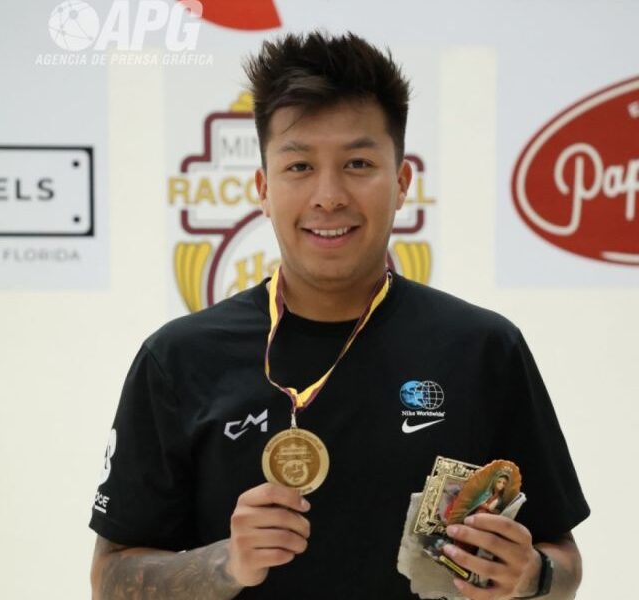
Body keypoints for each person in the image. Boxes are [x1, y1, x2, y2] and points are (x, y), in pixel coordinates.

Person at [89, 31, 590, 600]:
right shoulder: (178, 360)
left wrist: (532, 576)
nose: (328, 196)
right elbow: (110, 580)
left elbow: (563, 558)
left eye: (357, 163)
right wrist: (226, 563)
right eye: (299, 166)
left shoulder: (483, 349)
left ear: (401, 183)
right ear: (263, 188)